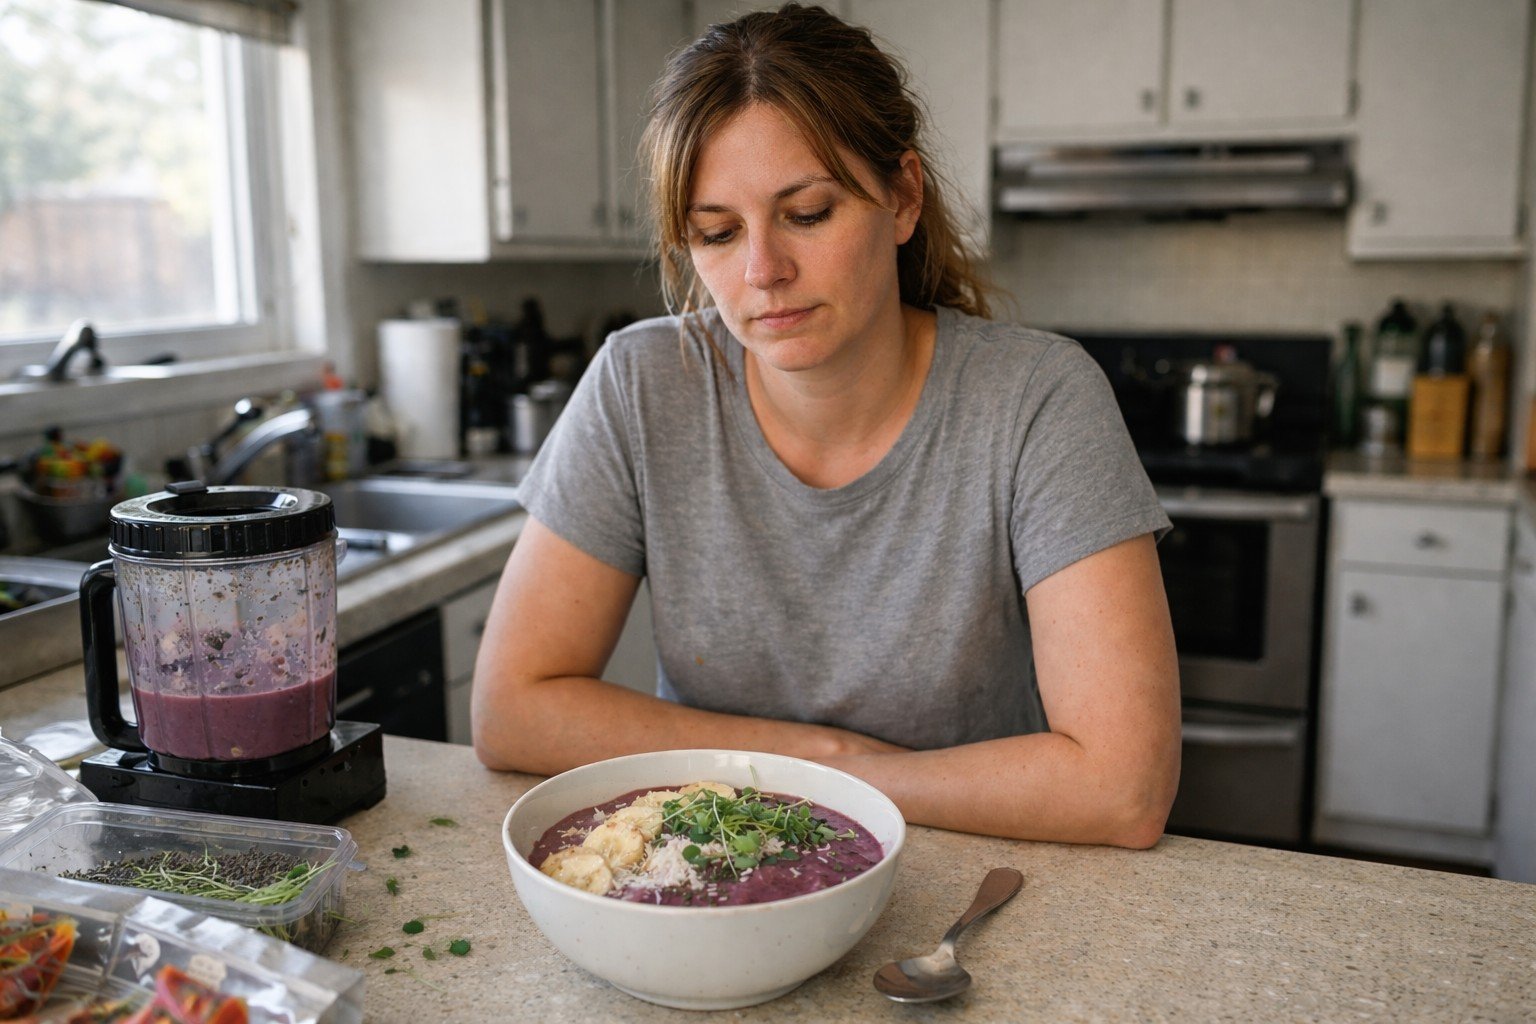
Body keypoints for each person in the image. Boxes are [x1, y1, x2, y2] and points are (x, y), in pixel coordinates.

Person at [472, 3, 1180, 847]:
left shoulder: (1038, 399)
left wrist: (837, 779)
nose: (762, 271)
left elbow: (1124, 788)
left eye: (808, 213)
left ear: (903, 197)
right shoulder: (640, 383)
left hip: (973, 872)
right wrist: (817, 757)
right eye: (717, 232)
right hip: (711, 870)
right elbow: (511, 709)